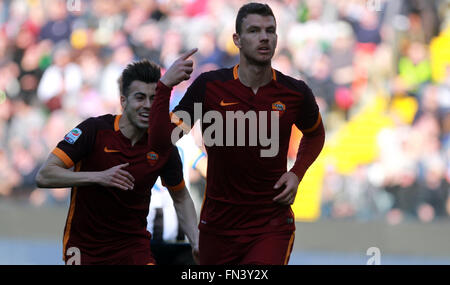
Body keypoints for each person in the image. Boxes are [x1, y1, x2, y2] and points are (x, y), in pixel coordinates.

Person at [150, 2, 325, 265]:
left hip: (270, 225)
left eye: (270, 30)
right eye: (254, 30)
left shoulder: (295, 92)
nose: (264, 37)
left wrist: (296, 173)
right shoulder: (209, 88)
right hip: (217, 227)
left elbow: (315, 135)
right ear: (237, 39)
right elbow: (163, 140)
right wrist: (164, 87)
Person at [35, 59, 199, 265]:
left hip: (133, 248)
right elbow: (45, 175)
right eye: (140, 98)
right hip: (85, 249)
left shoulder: (162, 146)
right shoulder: (94, 131)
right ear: (123, 101)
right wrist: (98, 177)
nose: (147, 106)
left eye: (153, 99)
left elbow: (181, 197)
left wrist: (196, 242)